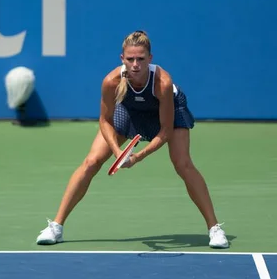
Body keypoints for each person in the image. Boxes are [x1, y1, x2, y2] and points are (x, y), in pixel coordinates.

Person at [35, 30, 229, 249]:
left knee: (183, 164)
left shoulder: (162, 83)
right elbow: (105, 120)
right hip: (130, 110)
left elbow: (165, 130)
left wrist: (137, 157)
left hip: (168, 111)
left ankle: (214, 228)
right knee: (91, 162)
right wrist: (118, 152)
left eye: (141, 59)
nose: (135, 64)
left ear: (150, 59)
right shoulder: (111, 81)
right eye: (130, 59)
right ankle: (56, 227)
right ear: (122, 59)